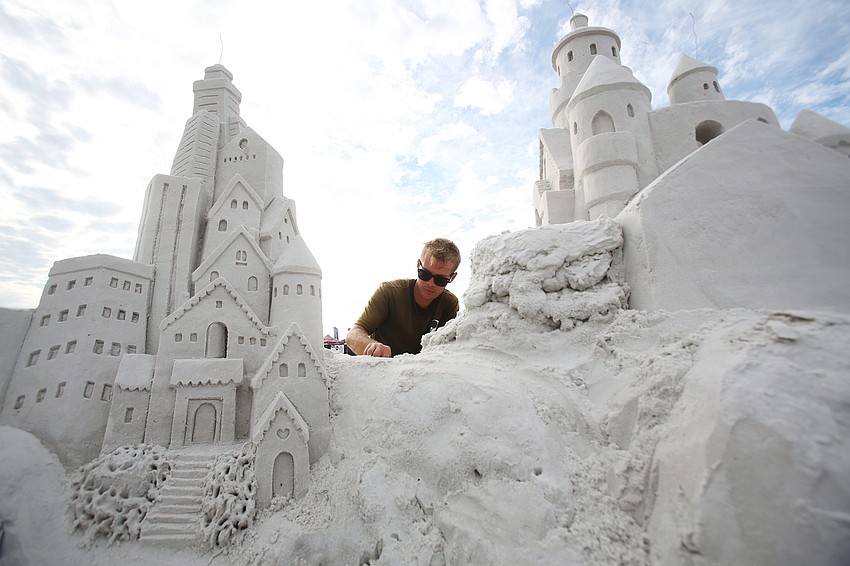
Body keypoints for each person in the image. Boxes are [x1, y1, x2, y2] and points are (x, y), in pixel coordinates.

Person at [346, 238, 461, 357]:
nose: (430, 283)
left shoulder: (449, 303)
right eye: (425, 274)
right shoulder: (389, 292)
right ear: (418, 265)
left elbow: (449, 347)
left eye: (440, 280)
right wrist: (372, 347)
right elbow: (353, 335)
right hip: (383, 365)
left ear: (452, 278)